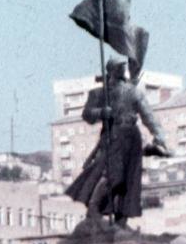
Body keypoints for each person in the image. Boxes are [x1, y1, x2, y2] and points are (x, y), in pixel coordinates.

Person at [68, 58, 174, 227]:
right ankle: (93, 209)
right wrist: (102, 111)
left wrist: (159, 136)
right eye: (118, 69)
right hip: (113, 135)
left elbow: (148, 115)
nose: (121, 72)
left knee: (130, 181)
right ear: (111, 71)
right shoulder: (100, 93)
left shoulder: (133, 91)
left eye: (122, 69)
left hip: (132, 135)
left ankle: (121, 222)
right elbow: (87, 114)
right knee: (114, 176)